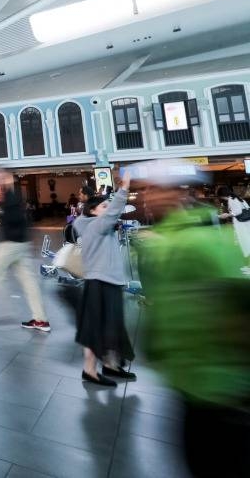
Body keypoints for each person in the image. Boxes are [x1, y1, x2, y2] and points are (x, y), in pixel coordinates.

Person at [134, 169, 250, 477]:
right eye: (147, 190)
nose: (148, 197)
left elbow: (239, 302)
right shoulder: (165, 240)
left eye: (157, 190)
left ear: (177, 194)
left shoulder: (201, 240)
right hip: (186, 382)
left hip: (219, 387)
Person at [72, 172, 134, 387]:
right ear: (93, 212)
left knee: (111, 326)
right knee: (95, 327)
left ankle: (110, 364)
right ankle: (89, 370)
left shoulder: (93, 225)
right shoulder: (96, 227)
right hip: (100, 282)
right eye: (103, 207)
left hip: (108, 281)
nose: (108, 211)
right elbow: (111, 214)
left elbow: (107, 216)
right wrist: (123, 189)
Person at [0, 173, 50, 332]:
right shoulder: (14, 194)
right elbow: (19, 217)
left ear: (7, 178)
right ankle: (41, 320)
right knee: (29, 283)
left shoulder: (11, 194)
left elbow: (13, 217)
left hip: (11, 244)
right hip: (21, 243)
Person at [217, 186, 250, 273]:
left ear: (222, 195)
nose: (221, 198)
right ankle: (248, 266)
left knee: (246, 245)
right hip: (246, 224)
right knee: (247, 245)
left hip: (242, 225)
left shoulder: (231, 200)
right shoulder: (239, 199)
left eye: (220, 196)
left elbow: (238, 211)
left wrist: (227, 215)